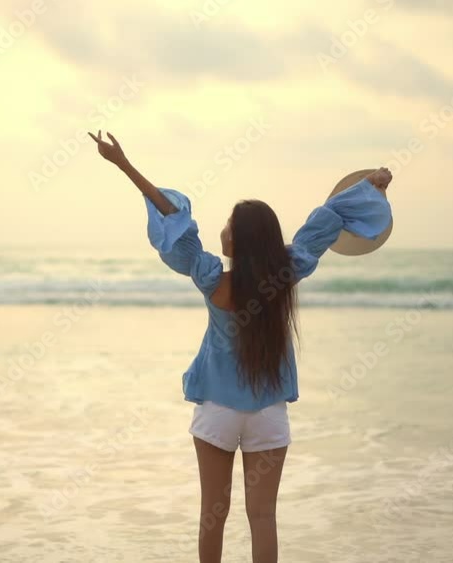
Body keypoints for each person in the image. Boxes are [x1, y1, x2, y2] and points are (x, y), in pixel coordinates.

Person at [88, 130, 393, 563]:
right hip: (269, 413)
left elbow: (174, 218)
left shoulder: (211, 278)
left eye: (229, 225)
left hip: (217, 411)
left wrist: (124, 165)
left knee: (212, 515)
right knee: (263, 517)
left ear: (240, 240)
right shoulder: (285, 275)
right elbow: (327, 219)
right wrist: (372, 185)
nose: (223, 229)